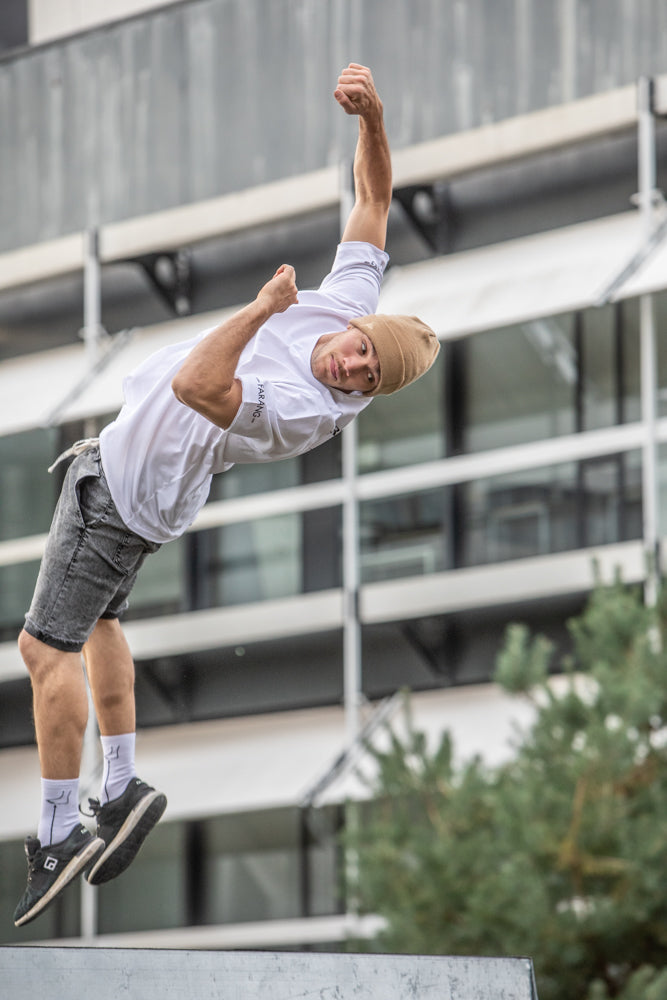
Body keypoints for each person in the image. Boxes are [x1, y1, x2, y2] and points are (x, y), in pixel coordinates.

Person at [13, 63, 440, 927]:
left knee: (41, 649)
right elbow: (372, 201)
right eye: (359, 349)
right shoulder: (349, 304)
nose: (347, 363)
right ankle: (122, 783)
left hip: (125, 492)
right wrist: (374, 121)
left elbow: (201, 388)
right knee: (101, 624)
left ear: (367, 395)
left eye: (364, 378)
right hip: (144, 487)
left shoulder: (306, 414)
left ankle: (58, 830)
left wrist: (260, 308)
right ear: (362, 324)